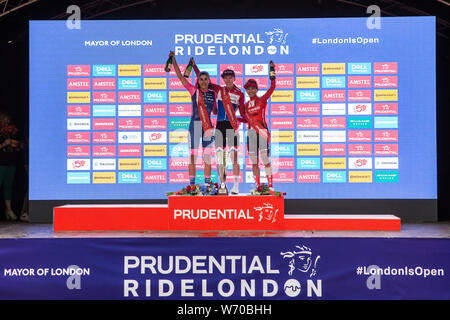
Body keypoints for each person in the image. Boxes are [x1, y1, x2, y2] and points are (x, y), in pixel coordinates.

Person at [191, 61, 245, 194]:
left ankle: (236, 185)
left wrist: (239, 119)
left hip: (232, 126)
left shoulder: (240, 93)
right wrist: (194, 66)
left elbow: (243, 112)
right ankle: (222, 184)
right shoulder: (219, 90)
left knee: (234, 157)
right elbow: (203, 80)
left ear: (234, 78)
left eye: (230, 77)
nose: (228, 80)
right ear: (223, 79)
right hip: (220, 126)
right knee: (220, 157)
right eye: (225, 78)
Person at [168, 51, 218, 190]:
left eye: (205, 79)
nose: (203, 81)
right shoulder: (193, 90)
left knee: (207, 157)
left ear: (209, 81)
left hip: (208, 128)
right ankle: (192, 186)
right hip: (194, 126)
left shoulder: (213, 94)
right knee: (192, 157)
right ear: (198, 81)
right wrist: (174, 60)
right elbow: (179, 76)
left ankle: (208, 185)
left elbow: (214, 110)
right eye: (201, 79)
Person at [240, 61, 276, 193]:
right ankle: (258, 186)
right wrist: (233, 118)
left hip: (262, 132)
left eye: (252, 88)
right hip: (251, 134)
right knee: (254, 162)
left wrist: (272, 69)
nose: (250, 90)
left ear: (256, 89)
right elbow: (245, 119)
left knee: (266, 160)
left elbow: (272, 87)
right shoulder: (245, 105)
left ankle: (270, 185)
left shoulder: (262, 100)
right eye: (247, 88)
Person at [0, 111, 21, 220]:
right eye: (4, 119)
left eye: (8, 119)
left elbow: (19, 145)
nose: (7, 121)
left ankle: (9, 210)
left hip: (11, 161)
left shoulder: (12, 130)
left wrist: (14, 144)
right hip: (1, 163)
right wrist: (4, 143)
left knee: (8, 186)